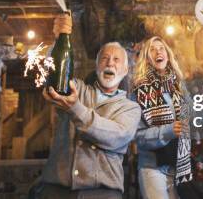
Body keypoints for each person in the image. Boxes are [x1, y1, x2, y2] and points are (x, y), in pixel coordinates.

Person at [36, 14, 141, 199]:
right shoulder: (77, 89)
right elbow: (54, 78)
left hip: (102, 193)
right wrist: (59, 38)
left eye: (116, 60)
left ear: (125, 71)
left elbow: (114, 137)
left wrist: (76, 108)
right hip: (55, 190)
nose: (110, 62)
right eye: (105, 58)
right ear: (97, 66)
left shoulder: (130, 108)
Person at [131, 36, 193, 199]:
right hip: (152, 168)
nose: (158, 51)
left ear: (167, 54)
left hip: (178, 165)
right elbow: (137, 136)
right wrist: (168, 130)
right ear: (146, 58)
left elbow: (190, 119)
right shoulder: (139, 91)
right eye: (152, 49)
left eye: (161, 48)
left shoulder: (179, 86)